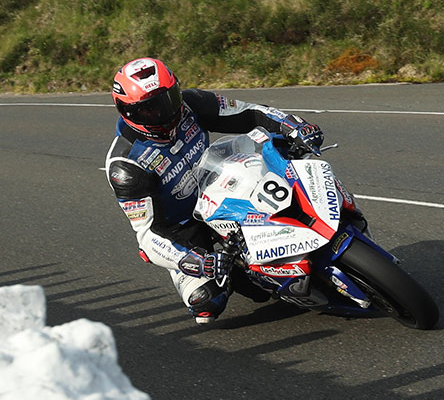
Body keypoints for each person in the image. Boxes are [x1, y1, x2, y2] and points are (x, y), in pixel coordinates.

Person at [105, 57, 325, 325]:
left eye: (169, 98)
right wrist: (194, 261)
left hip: (221, 182)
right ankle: (239, 271)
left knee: (287, 167)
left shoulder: (192, 103)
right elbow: (148, 236)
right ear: (128, 112)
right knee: (206, 302)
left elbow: (249, 113)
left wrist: (292, 125)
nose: (166, 112)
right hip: (183, 227)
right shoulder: (126, 166)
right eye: (150, 109)